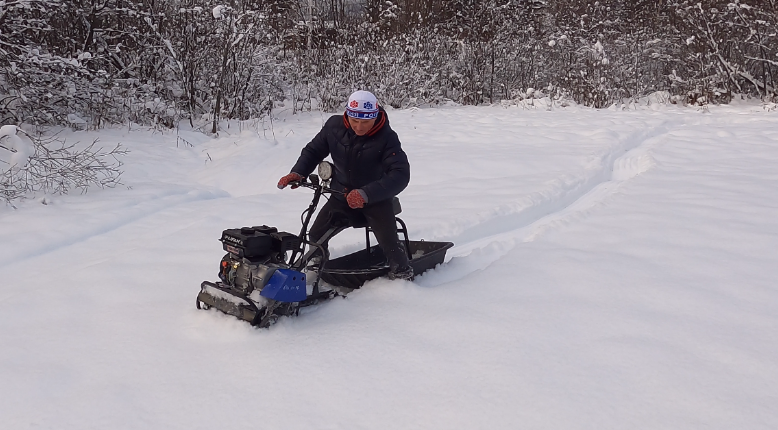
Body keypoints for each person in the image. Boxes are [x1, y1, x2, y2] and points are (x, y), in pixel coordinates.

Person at [277, 90, 413, 280]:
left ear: (375, 117)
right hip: (340, 194)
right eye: (354, 120)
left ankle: (402, 274)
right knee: (315, 235)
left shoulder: (387, 137)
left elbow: (400, 174)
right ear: (347, 114)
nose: (358, 127)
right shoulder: (334, 126)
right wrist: (298, 172)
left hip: (374, 198)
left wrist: (366, 194)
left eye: (365, 122)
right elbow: (313, 150)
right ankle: (315, 270)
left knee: (389, 242)